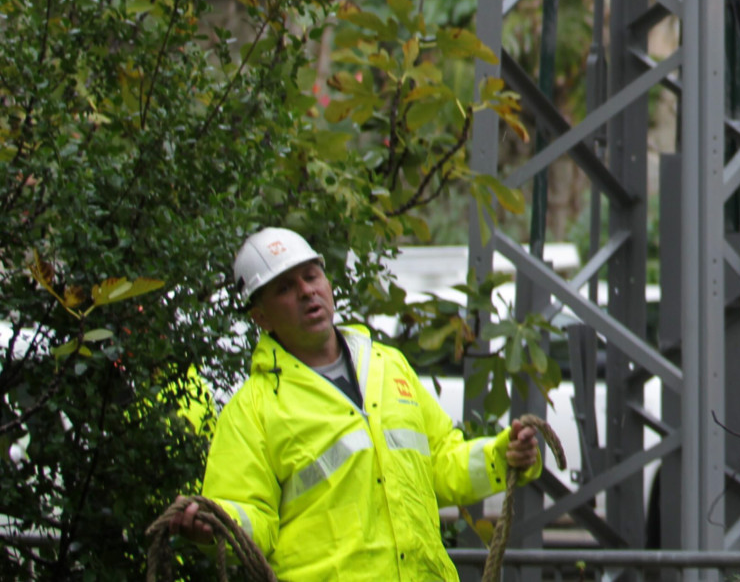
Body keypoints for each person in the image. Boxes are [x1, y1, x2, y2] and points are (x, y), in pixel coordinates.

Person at [170, 227, 540, 581]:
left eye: (311, 277)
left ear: (328, 285)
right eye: (285, 287)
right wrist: (218, 524)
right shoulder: (252, 409)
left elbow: (441, 464)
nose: (305, 292)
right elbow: (254, 518)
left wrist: (501, 454)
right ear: (260, 316)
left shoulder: (387, 366)